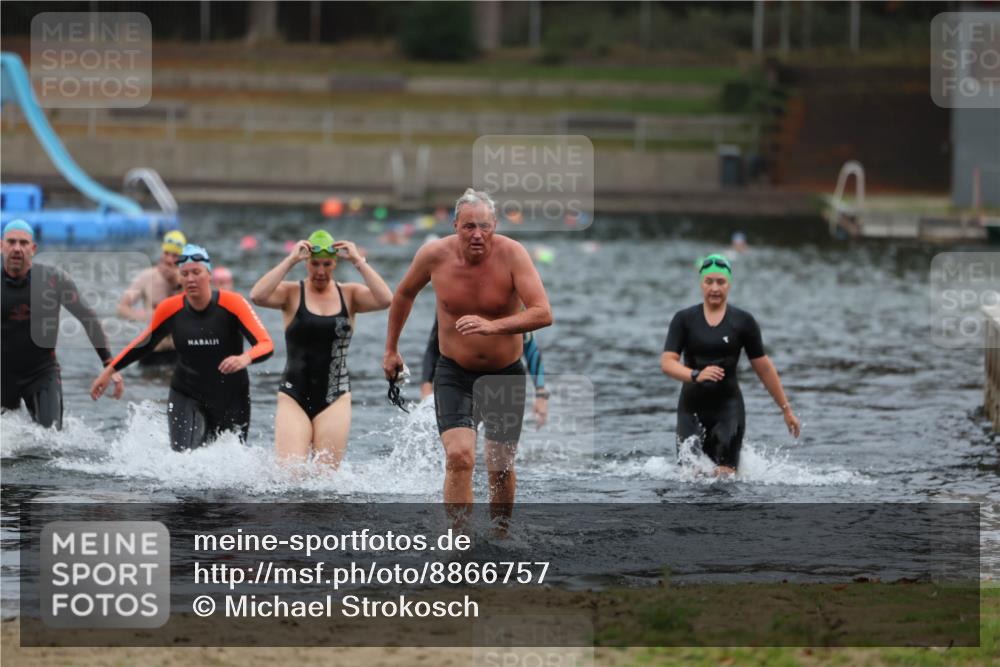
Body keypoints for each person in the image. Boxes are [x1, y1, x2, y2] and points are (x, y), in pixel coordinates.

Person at [383, 188, 553, 521]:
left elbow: (542, 312)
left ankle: (501, 536)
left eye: (485, 226)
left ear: (495, 226)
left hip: (504, 374)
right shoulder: (434, 255)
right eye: (469, 226)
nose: (477, 234)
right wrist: (391, 349)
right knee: (460, 456)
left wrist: (493, 326)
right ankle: (458, 542)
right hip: (454, 373)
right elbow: (403, 294)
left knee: (500, 466)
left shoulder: (513, 254)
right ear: (455, 225)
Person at [91, 244, 273, 451]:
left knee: (230, 463)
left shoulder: (233, 304)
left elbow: (266, 344)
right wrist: (109, 371)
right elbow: (143, 344)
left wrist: (245, 358)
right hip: (186, 393)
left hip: (231, 397)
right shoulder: (170, 308)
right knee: (182, 459)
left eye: (196, 272)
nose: (190, 279)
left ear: (209, 274)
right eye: (185, 274)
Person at [250, 230, 392, 467]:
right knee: (290, 475)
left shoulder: (350, 294)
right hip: (293, 395)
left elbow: (386, 299)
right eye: (314, 264)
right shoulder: (292, 293)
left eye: (327, 264)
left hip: (335, 397)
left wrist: (358, 261)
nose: (320, 271)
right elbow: (257, 295)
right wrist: (289, 260)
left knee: (325, 482)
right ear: (307, 263)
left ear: (334, 263)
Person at [660, 254, 800, 477]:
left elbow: (763, 368)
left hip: (728, 409)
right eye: (709, 282)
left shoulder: (743, 322)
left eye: (720, 282)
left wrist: (786, 410)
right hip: (690, 410)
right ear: (701, 283)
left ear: (729, 284)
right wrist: (696, 374)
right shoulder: (684, 320)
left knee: (724, 481)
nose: (715, 288)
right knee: (690, 480)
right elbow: (667, 363)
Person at [1, 220, 123, 428]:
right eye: (11, 242)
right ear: (1, 245)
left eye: (23, 243)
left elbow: (88, 318)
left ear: (33, 248)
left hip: (40, 374)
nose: (17, 249)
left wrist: (109, 364)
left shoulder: (53, 280)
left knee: (51, 442)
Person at [420, 316, 549, 428]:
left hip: (501, 381)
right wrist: (426, 388)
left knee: (497, 453)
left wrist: (541, 395)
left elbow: (531, 349)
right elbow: (433, 346)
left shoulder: (510, 301)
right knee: (460, 449)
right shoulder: (453, 297)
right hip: (459, 379)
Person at [116, 230, 186, 368]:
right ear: (162, 254)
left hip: (180, 351)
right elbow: (121, 308)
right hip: (153, 351)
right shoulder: (147, 277)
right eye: (167, 253)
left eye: (175, 256)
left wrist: (177, 283)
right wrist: (144, 316)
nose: (170, 260)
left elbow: (192, 310)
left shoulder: (188, 279)